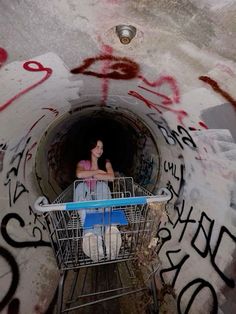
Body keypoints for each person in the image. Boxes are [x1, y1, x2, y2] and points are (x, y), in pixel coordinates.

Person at [74, 138, 121, 262]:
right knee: (80, 186)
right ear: (90, 148)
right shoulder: (83, 163)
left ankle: (110, 232)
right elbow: (79, 175)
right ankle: (93, 238)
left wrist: (92, 174)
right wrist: (99, 172)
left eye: (102, 147)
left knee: (102, 185)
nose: (100, 150)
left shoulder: (106, 162)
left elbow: (111, 178)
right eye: (97, 147)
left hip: (101, 198)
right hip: (87, 199)